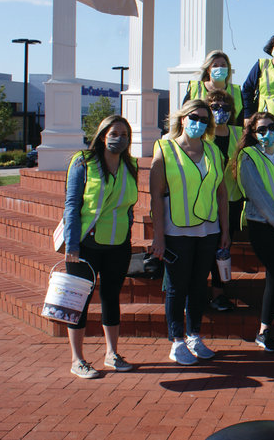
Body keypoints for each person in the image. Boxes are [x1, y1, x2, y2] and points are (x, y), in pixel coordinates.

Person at [150, 100, 230, 365]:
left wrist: (225, 229)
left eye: (204, 119)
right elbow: (155, 197)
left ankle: (194, 335)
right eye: (194, 117)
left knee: (198, 285)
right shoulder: (165, 148)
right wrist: (158, 236)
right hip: (176, 231)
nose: (199, 123)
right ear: (182, 119)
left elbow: (221, 192)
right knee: (176, 286)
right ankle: (177, 341)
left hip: (207, 230)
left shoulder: (213, 151)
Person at [63, 115, 138, 378]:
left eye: (125, 135)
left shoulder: (131, 165)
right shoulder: (83, 162)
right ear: (103, 134)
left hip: (118, 244)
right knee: (79, 301)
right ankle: (77, 359)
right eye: (114, 133)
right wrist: (71, 245)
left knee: (110, 298)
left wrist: (128, 233)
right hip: (85, 244)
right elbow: (72, 205)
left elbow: (128, 206)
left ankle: (112, 354)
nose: (119, 139)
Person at [235, 112, 274, 353]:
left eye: (272, 128)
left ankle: (264, 330)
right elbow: (257, 194)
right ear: (252, 133)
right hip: (263, 225)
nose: (267, 133)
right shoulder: (247, 156)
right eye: (261, 130)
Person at [205, 89, 243, 312]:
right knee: (207, 247)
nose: (221, 112)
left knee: (224, 246)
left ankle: (219, 292)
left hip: (232, 199)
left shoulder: (239, 133)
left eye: (226, 108)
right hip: (206, 201)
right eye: (215, 107)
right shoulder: (202, 134)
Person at [184, 50, 244, 124]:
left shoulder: (236, 91)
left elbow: (241, 119)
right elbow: (185, 115)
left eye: (223, 65)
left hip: (228, 134)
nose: (220, 68)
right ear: (208, 69)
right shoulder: (195, 88)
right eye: (215, 65)